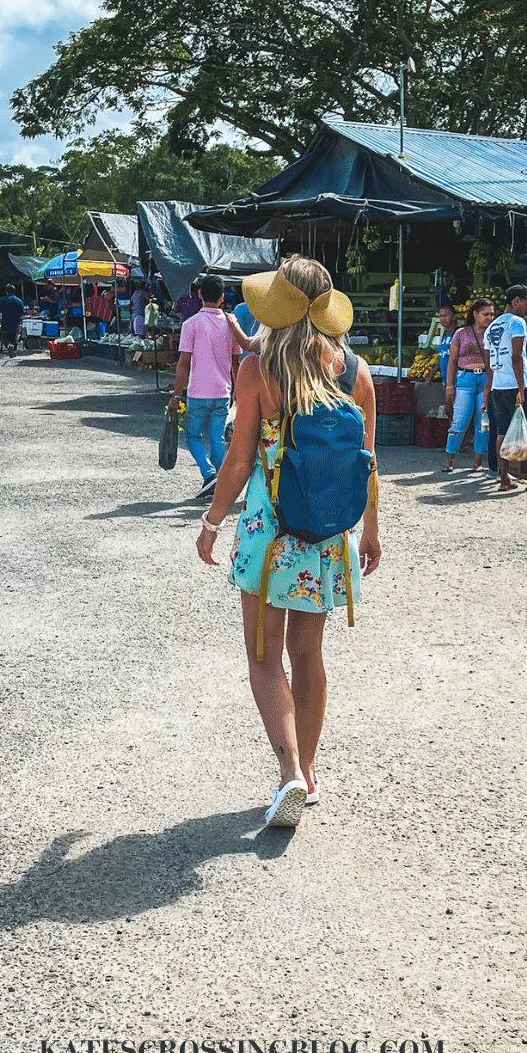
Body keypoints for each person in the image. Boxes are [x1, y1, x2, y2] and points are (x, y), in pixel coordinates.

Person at [196, 256, 382, 826]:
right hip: (328, 536)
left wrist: (210, 523)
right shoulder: (355, 371)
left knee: (263, 656)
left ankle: (289, 774)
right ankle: (313, 773)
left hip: (270, 535)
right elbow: (370, 463)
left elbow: (238, 458)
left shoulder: (260, 370)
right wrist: (371, 530)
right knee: (308, 655)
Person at [167, 276, 241, 497]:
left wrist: (176, 395)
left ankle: (209, 474)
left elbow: (183, 364)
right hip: (223, 392)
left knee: (193, 436)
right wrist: (238, 390)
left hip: (197, 392)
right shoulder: (231, 324)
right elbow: (237, 363)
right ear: (221, 298)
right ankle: (221, 485)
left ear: (199, 295)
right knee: (217, 439)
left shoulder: (191, 325)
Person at [483, 284, 527, 492]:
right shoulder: (517, 323)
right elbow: (515, 356)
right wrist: (522, 388)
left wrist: (490, 388)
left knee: (501, 432)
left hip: (498, 387)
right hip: (515, 384)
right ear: (516, 302)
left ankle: (504, 479)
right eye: (526, 303)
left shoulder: (490, 327)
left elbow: (488, 362)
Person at [443, 298, 495, 472]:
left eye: (491, 314)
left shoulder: (493, 333)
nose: (489, 317)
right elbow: (452, 361)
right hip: (465, 379)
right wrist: (450, 386)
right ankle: (449, 460)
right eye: (485, 314)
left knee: (483, 423)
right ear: (475, 314)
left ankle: (477, 462)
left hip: (486, 380)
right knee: (459, 421)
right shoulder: (461, 333)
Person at [425, 303, 460, 384]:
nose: (443, 319)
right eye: (440, 316)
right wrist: (431, 374)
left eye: (446, 315)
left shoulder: (458, 334)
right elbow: (442, 357)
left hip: (457, 380)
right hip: (445, 379)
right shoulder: (444, 335)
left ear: (454, 317)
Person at [0, 290, 25, 355]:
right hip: (15, 323)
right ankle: (14, 351)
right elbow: (22, 312)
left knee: (3, 337)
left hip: (5, 323)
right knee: (14, 338)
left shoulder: (3, 300)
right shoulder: (19, 301)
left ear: (6, 291)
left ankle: (9, 346)